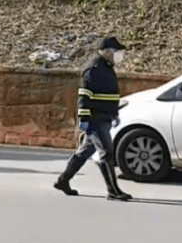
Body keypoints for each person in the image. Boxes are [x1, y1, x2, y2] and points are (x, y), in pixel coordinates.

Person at [54, 36, 133, 201]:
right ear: (105, 52)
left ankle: (63, 180)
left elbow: (107, 95)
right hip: (95, 118)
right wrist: (84, 119)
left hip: (104, 117)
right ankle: (113, 190)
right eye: (116, 52)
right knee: (106, 153)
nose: (119, 55)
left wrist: (114, 114)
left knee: (84, 152)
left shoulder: (106, 67)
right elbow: (84, 95)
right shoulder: (94, 68)